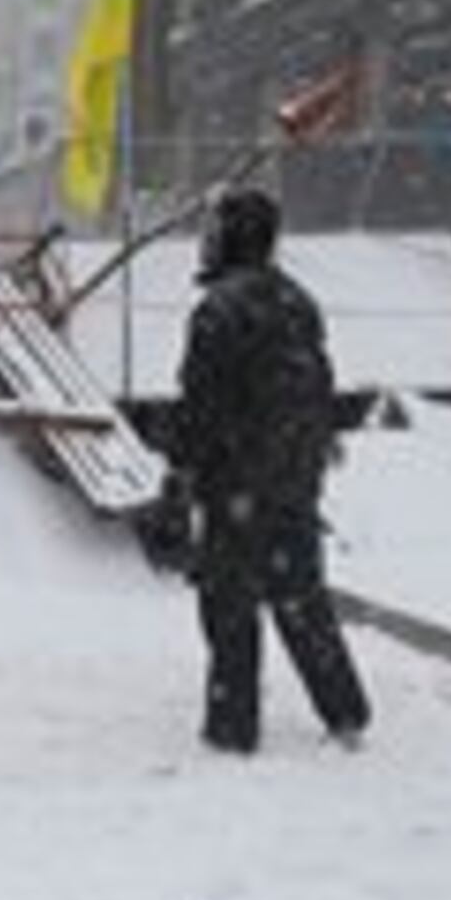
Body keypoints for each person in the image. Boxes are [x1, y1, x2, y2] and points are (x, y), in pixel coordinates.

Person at [153, 185, 371, 754]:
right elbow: (319, 389)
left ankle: (232, 726)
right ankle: (344, 710)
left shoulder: (219, 310)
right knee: (301, 597)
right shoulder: (298, 302)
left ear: (225, 238)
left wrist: (180, 467)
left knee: (230, 607)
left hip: (235, 484)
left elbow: (200, 403)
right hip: (294, 479)